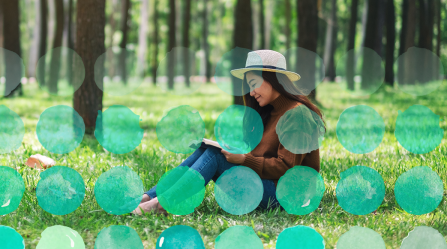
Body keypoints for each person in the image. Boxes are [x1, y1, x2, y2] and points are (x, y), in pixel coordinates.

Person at [132, 50, 326, 215]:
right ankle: (150, 196)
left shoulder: (297, 114)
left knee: (214, 157)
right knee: (207, 150)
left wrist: (244, 160)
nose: (251, 93)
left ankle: (161, 204)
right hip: (268, 185)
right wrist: (238, 153)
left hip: (286, 196)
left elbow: (287, 167)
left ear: (272, 79)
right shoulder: (270, 112)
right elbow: (264, 157)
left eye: (254, 84)